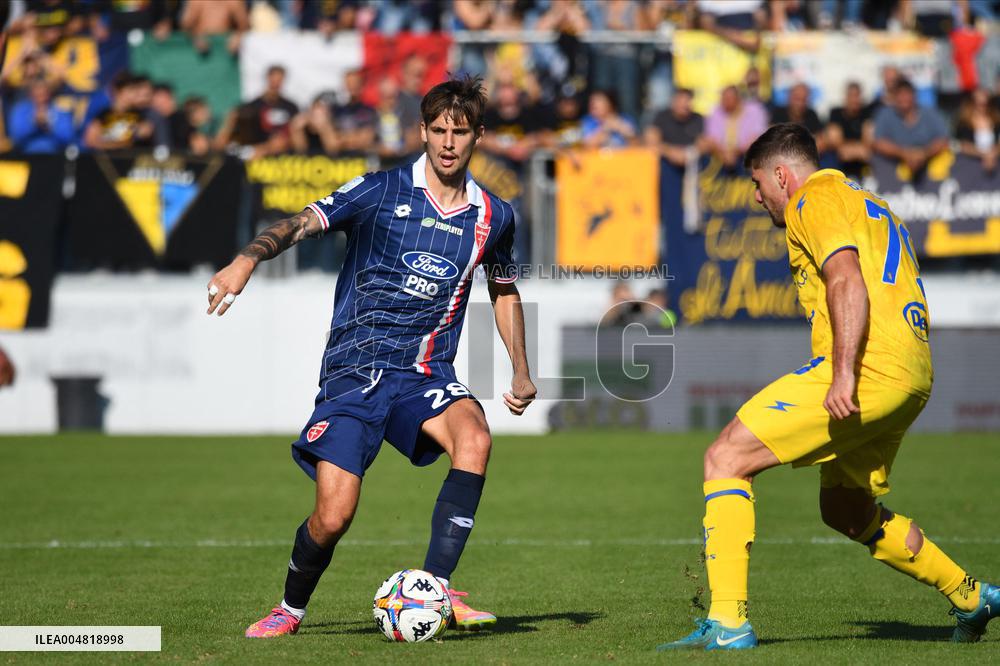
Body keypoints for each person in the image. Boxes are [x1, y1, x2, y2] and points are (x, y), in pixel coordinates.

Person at [206, 76, 536, 639]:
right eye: (438, 131)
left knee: (475, 437)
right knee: (333, 516)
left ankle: (436, 588)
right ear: (422, 131)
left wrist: (521, 369)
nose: (448, 143)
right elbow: (300, 223)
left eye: (460, 132)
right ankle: (291, 607)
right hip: (355, 371)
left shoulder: (495, 216)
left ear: (479, 135)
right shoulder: (380, 190)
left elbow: (502, 289)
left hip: (424, 373)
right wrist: (247, 260)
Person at [659, 123, 999, 651]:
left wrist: (843, 372)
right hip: (913, 370)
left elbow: (845, 278)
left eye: (758, 183)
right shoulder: (868, 202)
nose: (757, 196)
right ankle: (970, 595)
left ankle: (728, 623)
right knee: (846, 509)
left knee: (725, 457)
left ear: (781, 174)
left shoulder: (810, 199)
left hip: (869, 366)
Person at [872, 79, 948, 176]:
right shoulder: (885, 114)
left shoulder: (929, 112)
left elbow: (943, 139)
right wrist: (904, 154)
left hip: (928, 163)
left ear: (914, 96)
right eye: (900, 95)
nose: (904, 99)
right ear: (894, 97)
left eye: (907, 94)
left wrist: (924, 154)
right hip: (894, 166)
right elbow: (878, 142)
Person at [703, 85, 768, 168]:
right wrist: (723, 153)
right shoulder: (716, 111)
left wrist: (735, 152)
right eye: (723, 99)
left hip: (748, 157)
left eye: (728, 99)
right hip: (720, 158)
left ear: (738, 99)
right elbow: (710, 138)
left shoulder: (754, 110)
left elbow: (757, 136)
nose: (724, 102)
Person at [7, 77, 75, 153]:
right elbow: (15, 137)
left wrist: (49, 125)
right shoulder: (21, 109)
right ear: (31, 95)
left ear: (49, 94)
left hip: (55, 156)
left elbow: (68, 137)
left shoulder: (60, 108)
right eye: (37, 95)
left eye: (44, 95)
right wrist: (33, 123)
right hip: (26, 155)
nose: (41, 99)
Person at [644, 88, 704, 167]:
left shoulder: (698, 118)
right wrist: (670, 152)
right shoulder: (661, 117)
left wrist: (688, 154)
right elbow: (651, 142)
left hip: (691, 162)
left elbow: (705, 143)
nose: (684, 104)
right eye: (681, 100)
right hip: (665, 163)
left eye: (687, 100)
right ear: (673, 101)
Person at [826, 81, 874, 179]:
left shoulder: (866, 113)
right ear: (846, 97)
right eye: (851, 96)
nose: (854, 100)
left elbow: (869, 142)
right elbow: (834, 142)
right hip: (839, 162)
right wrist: (857, 148)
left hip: (861, 165)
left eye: (857, 96)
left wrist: (848, 148)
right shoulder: (836, 113)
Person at [955, 88, 1000, 172]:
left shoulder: (996, 120)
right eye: (978, 103)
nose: (982, 107)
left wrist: (993, 153)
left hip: (994, 163)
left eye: (985, 104)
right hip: (970, 163)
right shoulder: (964, 122)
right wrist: (983, 155)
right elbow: (961, 144)